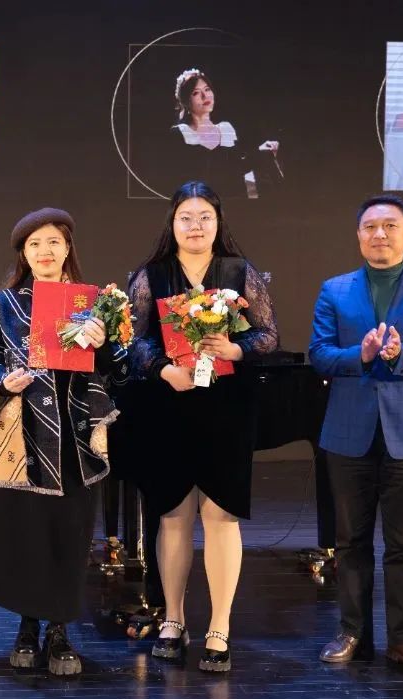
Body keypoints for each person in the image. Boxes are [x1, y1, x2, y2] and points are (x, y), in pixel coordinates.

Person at [124, 180, 278, 672]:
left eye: (204, 217)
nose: (195, 226)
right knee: (172, 514)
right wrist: (163, 369)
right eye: (186, 218)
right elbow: (132, 340)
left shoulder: (240, 272)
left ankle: (220, 626)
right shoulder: (151, 275)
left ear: (218, 222)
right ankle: (173, 619)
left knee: (220, 515)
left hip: (226, 408)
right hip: (167, 406)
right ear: (172, 224)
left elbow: (268, 335)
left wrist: (235, 348)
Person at [0, 208, 128, 676]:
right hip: (24, 441)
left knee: (69, 537)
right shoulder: (3, 304)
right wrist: (3, 380)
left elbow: (121, 371)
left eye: (54, 242)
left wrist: (103, 343)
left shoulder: (93, 303)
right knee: (26, 538)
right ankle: (26, 627)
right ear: (23, 253)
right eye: (35, 243)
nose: (45, 251)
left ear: (67, 249)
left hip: (76, 443)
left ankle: (59, 630)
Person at [309, 194, 403, 679]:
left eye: (390, 226)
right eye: (370, 226)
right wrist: (363, 355)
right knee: (349, 541)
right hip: (347, 432)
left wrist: (400, 355)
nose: (379, 234)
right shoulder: (334, 289)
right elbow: (320, 354)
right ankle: (352, 632)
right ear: (358, 235)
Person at [161, 69, 281, 199]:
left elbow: (237, 169)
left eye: (207, 89)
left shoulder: (225, 128)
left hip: (233, 203)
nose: (205, 96)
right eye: (196, 93)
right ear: (185, 101)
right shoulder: (180, 133)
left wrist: (260, 152)